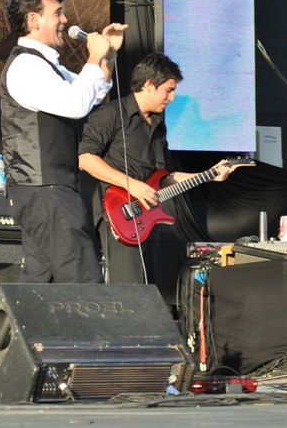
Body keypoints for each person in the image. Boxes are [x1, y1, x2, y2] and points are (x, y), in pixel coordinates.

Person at [0, 0, 128, 283]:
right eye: (57, 13)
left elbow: (93, 93)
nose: (65, 20)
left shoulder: (47, 66)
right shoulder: (26, 66)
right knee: (80, 278)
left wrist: (107, 55)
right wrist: (93, 56)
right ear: (34, 20)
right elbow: (77, 104)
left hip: (48, 191)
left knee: (42, 283)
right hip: (44, 190)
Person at [78, 52, 231, 285]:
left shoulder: (159, 125)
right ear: (149, 85)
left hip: (148, 216)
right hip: (119, 212)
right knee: (130, 289)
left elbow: (165, 177)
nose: (172, 97)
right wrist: (132, 185)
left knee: (150, 288)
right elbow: (86, 159)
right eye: (168, 90)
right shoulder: (111, 114)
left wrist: (209, 176)